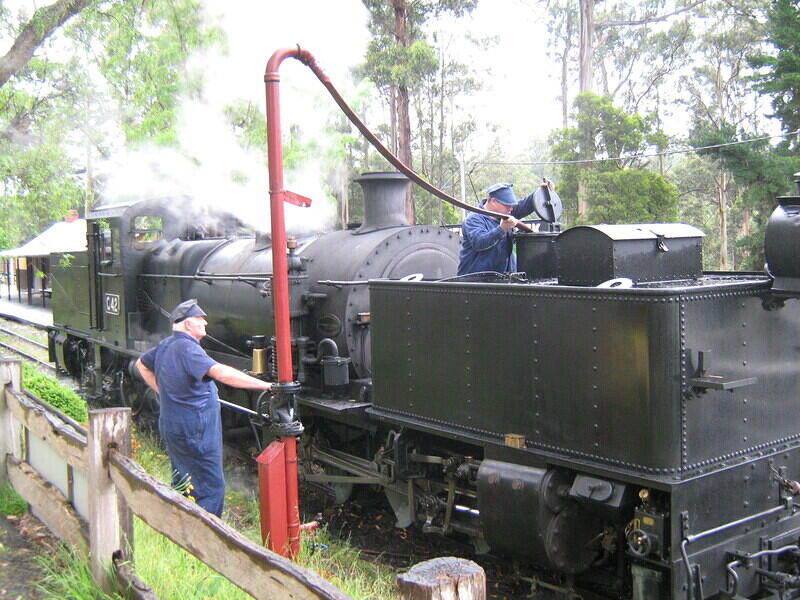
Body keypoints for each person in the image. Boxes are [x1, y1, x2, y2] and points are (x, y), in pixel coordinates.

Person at [136, 299, 271, 517]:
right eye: (200, 319)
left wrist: (162, 391)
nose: (205, 323)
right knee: (210, 485)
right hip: (195, 429)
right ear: (188, 324)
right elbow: (220, 373)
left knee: (183, 476)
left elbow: (141, 364)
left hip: (172, 423)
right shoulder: (188, 349)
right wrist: (266, 385)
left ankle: (181, 520)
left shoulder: (166, 345)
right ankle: (206, 531)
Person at [457, 182, 551, 276]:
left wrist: (542, 193)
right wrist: (502, 229)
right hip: (474, 280)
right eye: (507, 205)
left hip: (502, 278)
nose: (511, 208)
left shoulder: (507, 212)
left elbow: (526, 205)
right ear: (493, 201)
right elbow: (479, 243)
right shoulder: (473, 219)